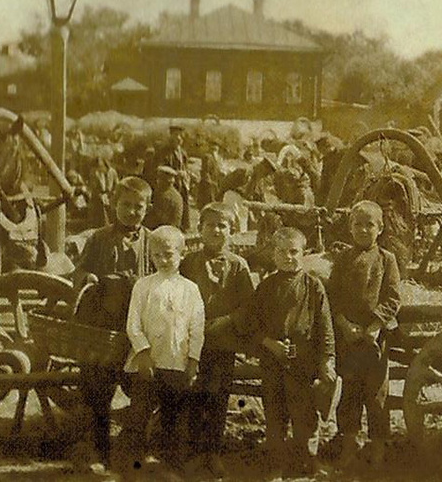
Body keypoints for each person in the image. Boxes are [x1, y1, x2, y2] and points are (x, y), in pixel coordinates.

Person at [236, 227, 336, 477]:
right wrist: (268, 342)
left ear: (304, 253)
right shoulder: (266, 287)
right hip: (273, 362)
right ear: (273, 254)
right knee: (275, 414)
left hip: (303, 363)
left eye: (294, 252)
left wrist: (327, 361)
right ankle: (276, 465)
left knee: (305, 415)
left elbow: (325, 328)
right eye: (282, 252)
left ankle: (308, 462)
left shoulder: (314, 287)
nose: (288, 257)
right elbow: (251, 324)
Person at [70, 176, 154, 471]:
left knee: (143, 389)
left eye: (138, 207)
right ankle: (97, 450)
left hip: (139, 330)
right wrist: (87, 278)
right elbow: (79, 271)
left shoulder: (152, 242)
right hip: (103, 327)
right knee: (97, 390)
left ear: (148, 208)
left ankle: (133, 450)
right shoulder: (99, 239)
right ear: (113, 205)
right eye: (126, 205)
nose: (132, 212)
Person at [118, 225, 204, 472]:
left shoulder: (190, 289)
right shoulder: (143, 286)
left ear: (182, 253)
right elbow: (133, 325)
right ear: (150, 255)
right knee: (139, 414)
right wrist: (143, 353)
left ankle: (171, 467)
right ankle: (133, 467)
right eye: (157, 255)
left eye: (169, 254)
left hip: (177, 363)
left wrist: (193, 360)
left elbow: (197, 328)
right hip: (148, 364)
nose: (163, 260)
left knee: (174, 417)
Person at [178, 203, 255, 477]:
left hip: (223, 342)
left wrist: (226, 321)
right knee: (194, 394)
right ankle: (194, 452)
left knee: (218, 396)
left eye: (223, 226)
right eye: (210, 225)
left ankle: (213, 452)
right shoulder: (188, 263)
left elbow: (248, 304)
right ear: (200, 230)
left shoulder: (238, 266)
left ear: (232, 231)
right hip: (194, 343)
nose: (216, 230)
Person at [328, 201, 401, 467]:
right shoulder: (343, 259)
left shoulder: (386, 259)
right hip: (349, 338)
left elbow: (393, 297)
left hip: (374, 340)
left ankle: (378, 447)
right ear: (350, 227)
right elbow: (332, 296)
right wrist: (344, 325)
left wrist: (375, 326)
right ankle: (349, 443)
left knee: (376, 394)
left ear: (380, 229)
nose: (363, 230)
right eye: (358, 224)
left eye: (369, 225)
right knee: (349, 392)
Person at [145, 166, 184, 230]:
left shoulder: (169, 196)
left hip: (165, 230)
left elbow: (161, 218)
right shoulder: (160, 191)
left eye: (161, 179)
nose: (158, 181)